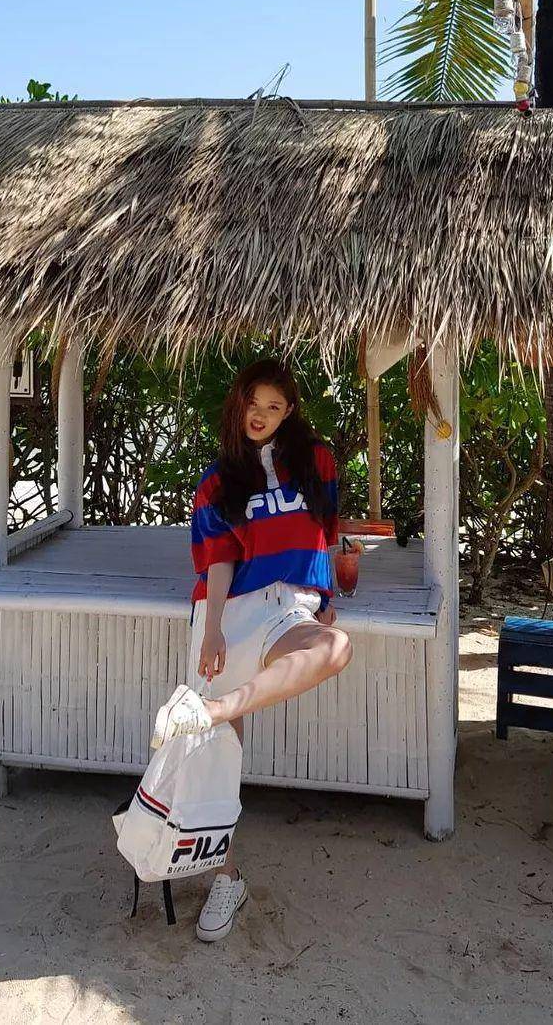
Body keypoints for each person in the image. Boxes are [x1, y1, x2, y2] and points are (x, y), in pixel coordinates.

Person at [150, 358, 353, 942]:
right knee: (217, 755)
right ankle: (227, 878)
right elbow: (218, 562)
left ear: (289, 412)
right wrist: (213, 629)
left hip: (290, 605)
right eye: (252, 404)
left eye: (273, 406)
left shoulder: (315, 461)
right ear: (237, 404)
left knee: (336, 647)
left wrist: (326, 591)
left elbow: (324, 529)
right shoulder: (217, 480)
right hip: (229, 611)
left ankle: (213, 708)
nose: (260, 416)